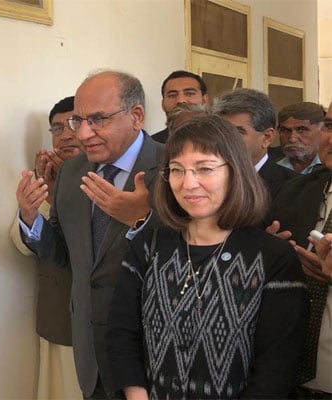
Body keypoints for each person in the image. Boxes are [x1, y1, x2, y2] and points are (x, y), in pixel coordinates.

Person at [107, 115, 308, 399]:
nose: (188, 183)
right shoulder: (149, 245)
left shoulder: (272, 257)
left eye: (205, 168)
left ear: (235, 172)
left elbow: (276, 368)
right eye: (177, 170)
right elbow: (122, 332)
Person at [16, 70, 163, 399]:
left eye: (97, 119)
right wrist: (30, 219)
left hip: (153, 352)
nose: (82, 134)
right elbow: (64, 253)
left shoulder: (172, 167)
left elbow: (199, 253)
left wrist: (141, 219)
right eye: (78, 121)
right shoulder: (72, 171)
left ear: (136, 116)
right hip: (90, 353)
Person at [10, 96, 82, 399]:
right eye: (57, 128)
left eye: (73, 124)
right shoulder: (42, 178)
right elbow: (23, 244)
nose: (65, 135)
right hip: (60, 311)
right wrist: (38, 205)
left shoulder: (109, 172)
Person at [269, 102, 332, 397]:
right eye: (330, 126)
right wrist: (268, 252)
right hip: (291, 379)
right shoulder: (294, 190)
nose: (331, 138)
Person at [212, 88, 296, 196]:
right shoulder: (201, 180)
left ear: (267, 137)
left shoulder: (294, 188)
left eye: (237, 132)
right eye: (220, 131)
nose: (224, 139)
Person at [151, 70, 209, 143]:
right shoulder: (151, 145)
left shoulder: (221, 139)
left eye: (189, 93)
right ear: (163, 104)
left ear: (205, 100)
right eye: (172, 95)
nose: (181, 100)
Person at [276, 101, 325, 174]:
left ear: (322, 131)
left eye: (301, 130)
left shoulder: (328, 165)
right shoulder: (266, 165)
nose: (292, 139)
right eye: (285, 130)